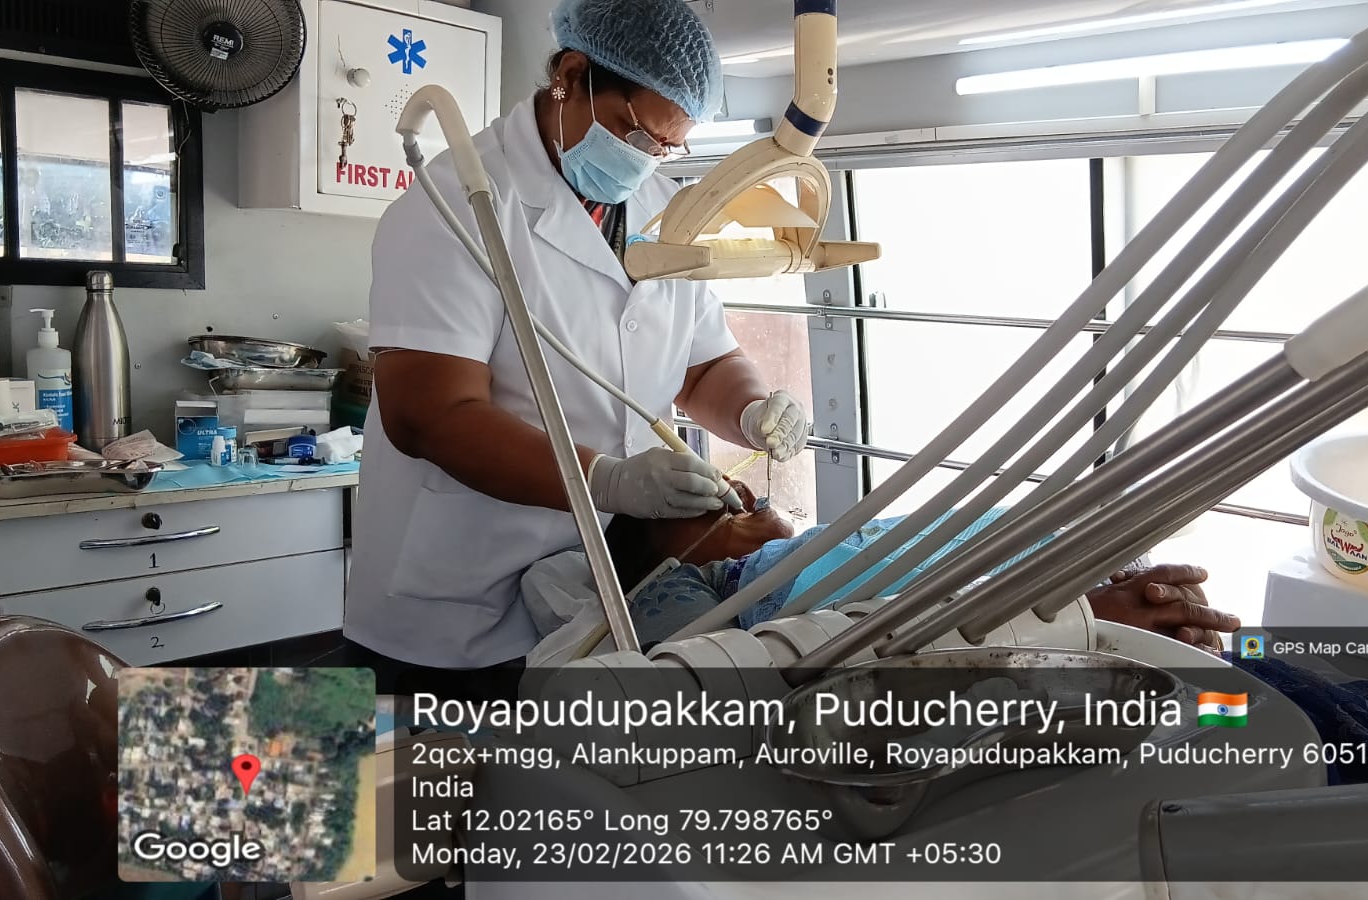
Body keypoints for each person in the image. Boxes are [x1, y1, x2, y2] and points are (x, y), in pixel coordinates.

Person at [345, 0, 811, 681]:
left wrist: (752, 410)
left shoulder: (663, 211)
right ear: (569, 76)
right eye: (631, 131)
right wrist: (607, 480)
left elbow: (704, 363)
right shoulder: (453, 205)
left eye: (667, 145)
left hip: (596, 585)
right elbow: (428, 415)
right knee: (431, 754)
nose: (645, 157)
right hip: (457, 599)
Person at [598, 487, 1237, 651]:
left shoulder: (821, 542)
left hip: (1090, 577)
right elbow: (675, 671)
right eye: (704, 505)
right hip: (1058, 615)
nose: (737, 493)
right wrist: (1084, 615)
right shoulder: (687, 588)